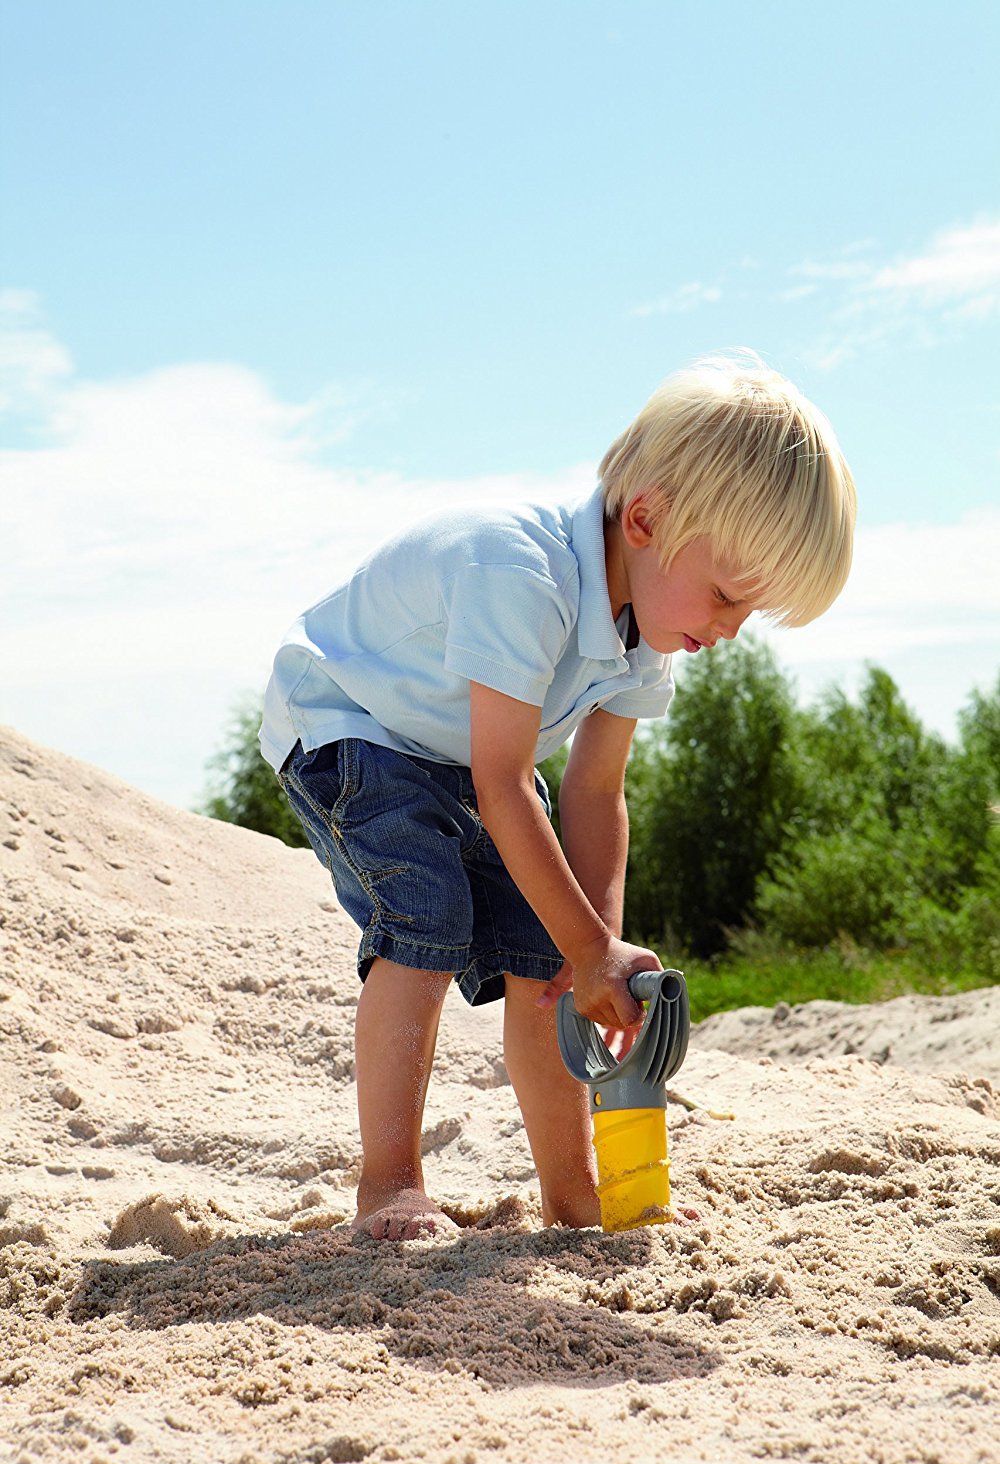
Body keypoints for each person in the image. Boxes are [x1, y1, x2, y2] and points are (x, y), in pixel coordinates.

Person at [259, 353, 856, 1241]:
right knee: (429, 915)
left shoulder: (647, 639)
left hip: (459, 750)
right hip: (349, 720)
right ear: (646, 518)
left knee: (548, 960)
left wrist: (592, 952)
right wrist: (589, 949)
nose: (729, 632)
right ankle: (388, 1184)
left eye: (750, 615)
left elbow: (596, 790)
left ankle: (575, 1198)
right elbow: (506, 786)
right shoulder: (520, 574)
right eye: (728, 596)